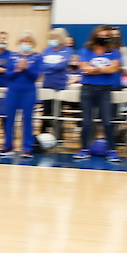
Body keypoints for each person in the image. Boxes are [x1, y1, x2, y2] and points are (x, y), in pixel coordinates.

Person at [76, 25, 122, 162]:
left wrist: (94, 69)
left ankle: (112, 150)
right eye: (100, 35)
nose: (103, 38)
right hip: (87, 89)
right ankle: (84, 148)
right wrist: (103, 69)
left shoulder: (113, 51)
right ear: (95, 36)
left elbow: (114, 68)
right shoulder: (86, 50)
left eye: (106, 36)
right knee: (86, 122)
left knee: (107, 121)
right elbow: (84, 69)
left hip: (105, 90)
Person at [2, 32, 41, 158]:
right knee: (9, 119)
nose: (26, 44)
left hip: (29, 92)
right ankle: (8, 146)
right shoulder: (12, 56)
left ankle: (27, 148)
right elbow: (7, 76)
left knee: (28, 120)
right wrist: (17, 70)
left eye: (29, 42)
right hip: (13, 91)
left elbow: (35, 77)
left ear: (33, 44)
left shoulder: (37, 57)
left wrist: (26, 68)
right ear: (19, 43)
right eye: (24, 41)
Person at [39, 28, 74, 135]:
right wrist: (53, 66)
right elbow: (42, 65)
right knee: (46, 111)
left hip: (60, 84)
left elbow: (62, 65)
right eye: (50, 38)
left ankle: (58, 135)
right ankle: (43, 135)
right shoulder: (46, 50)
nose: (51, 40)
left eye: (53, 38)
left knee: (58, 111)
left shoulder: (67, 50)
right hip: (47, 84)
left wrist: (49, 67)